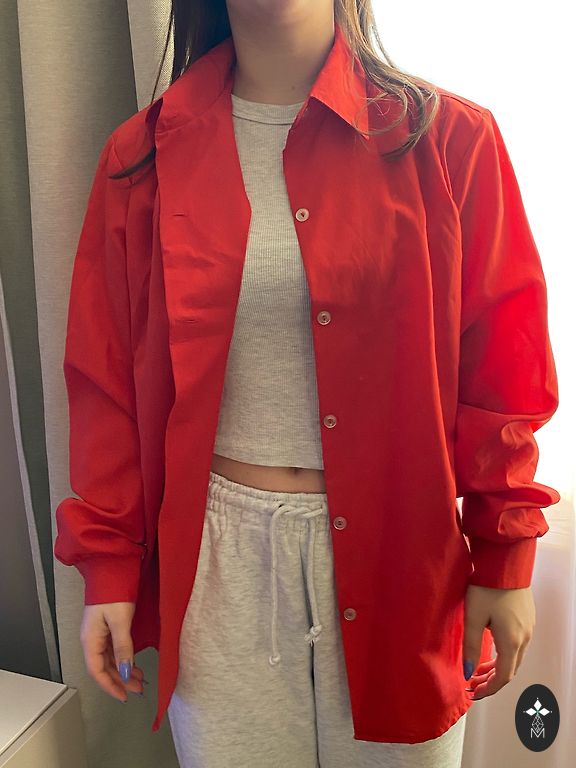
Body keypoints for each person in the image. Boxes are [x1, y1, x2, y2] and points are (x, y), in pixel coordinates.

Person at [54, 0, 561, 766]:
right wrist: (109, 566)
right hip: (221, 574)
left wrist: (505, 553)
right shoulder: (144, 157)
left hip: (404, 565)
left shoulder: (452, 141)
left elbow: (503, 371)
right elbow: (107, 385)